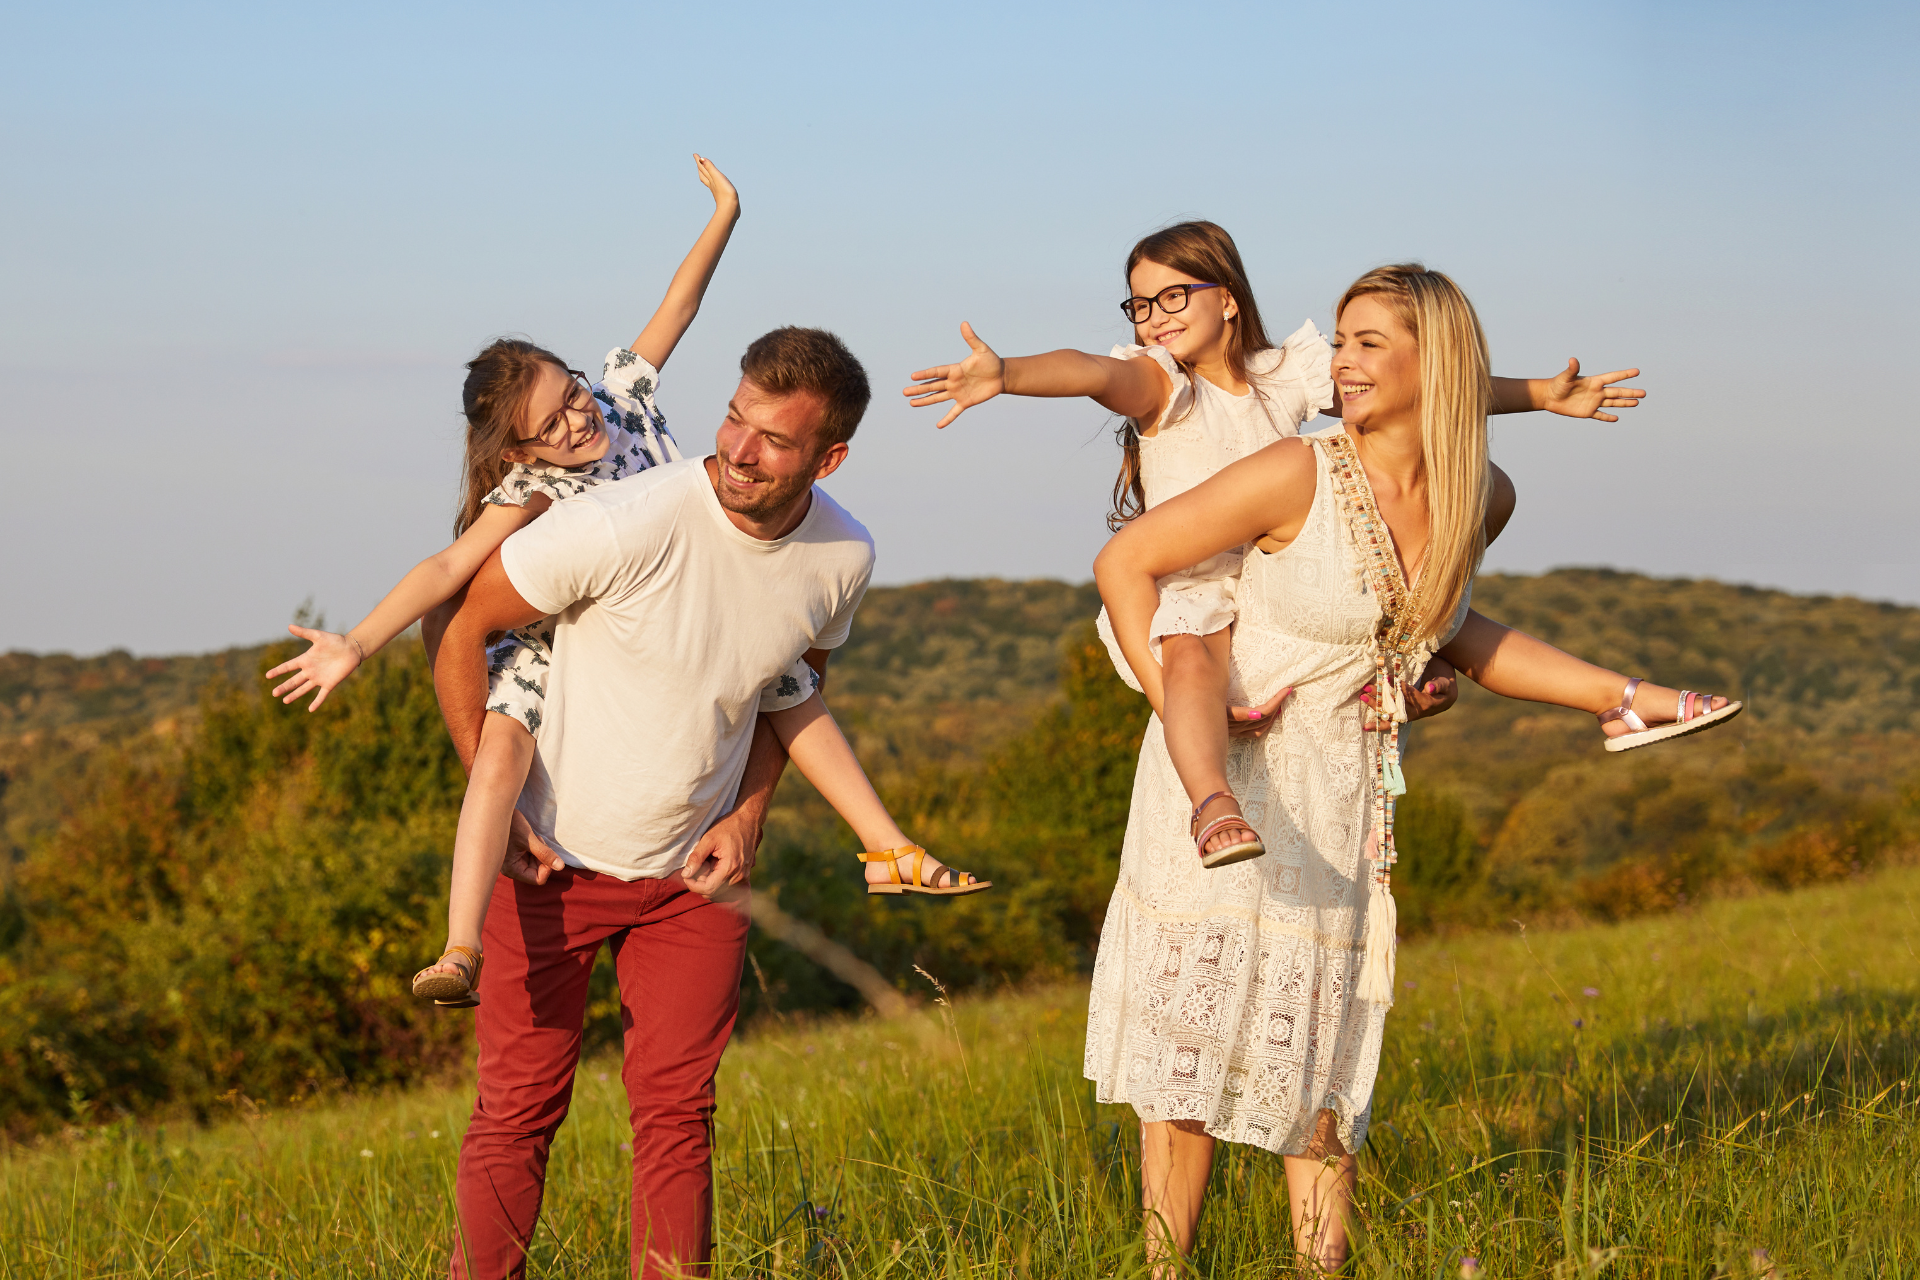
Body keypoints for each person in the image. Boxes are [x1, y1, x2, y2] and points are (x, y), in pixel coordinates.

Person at [1086, 264, 1740, 1273]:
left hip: (1341, 790)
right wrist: (1172, 686)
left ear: (1435, 360)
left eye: (1368, 343)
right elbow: (1125, 563)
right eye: (1339, 341)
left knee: (1325, 1050)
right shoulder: (1293, 470)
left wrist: (1411, 664)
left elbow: (1440, 619)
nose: (1341, 362)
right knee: (1193, 1057)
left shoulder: (1483, 491)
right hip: (1226, 776)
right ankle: (1168, 1269)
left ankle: (1323, 1265)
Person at [265, 159, 984, 1011]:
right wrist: (356, 640)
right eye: (553, 426)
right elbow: (449, 575)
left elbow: (678, 307)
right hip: (559, 644)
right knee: (496, 766)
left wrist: (726, 214)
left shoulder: (625, 403)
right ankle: (460, 948)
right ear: (521, 453)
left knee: (791, 685)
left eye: (572, 394)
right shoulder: (528, 493)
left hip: (697, 592)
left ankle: (886, 844)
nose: (579, 420)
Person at [905, 222, 1733, 872]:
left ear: (1227, 298)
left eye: (1171, 297)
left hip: (1286, 561)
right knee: (1190, 661)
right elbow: (1092, 372)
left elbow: (1423, 383)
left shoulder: (1287, 372)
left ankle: (1613, 700)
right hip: (1196, 586)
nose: (1155, 319)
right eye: (1140, 306)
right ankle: (1209, 801)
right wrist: (1008, 373)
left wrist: (1538, 397)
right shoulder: (1162, 383)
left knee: (1443, 613)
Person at [429, 325, 980, 1279]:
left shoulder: (842, 555)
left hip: (693, 880)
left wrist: (750, 811)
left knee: (679, 1118)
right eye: (733, 417)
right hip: (550, 861)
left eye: (772, 438)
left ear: (829, 456)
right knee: (517, 1111)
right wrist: (494, 783)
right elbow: (461, 621)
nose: (737, 447)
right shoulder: (623, 518)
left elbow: (791, 689)